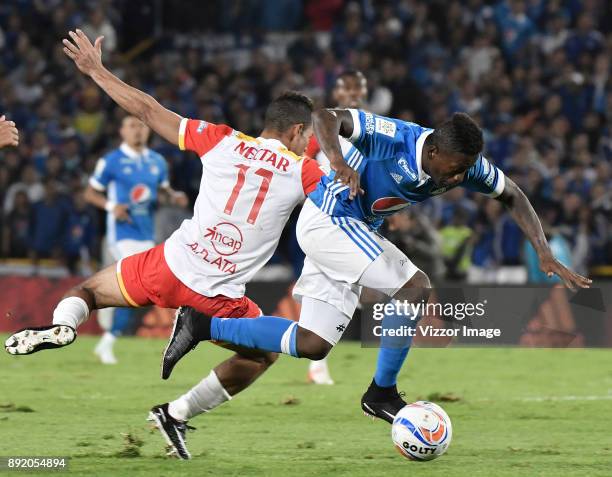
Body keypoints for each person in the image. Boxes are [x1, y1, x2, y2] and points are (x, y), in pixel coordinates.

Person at [160, 105, 592, 431]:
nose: (459, 179)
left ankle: (204, 325)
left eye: (465, 172)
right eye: (456, 170)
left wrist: (544, 251)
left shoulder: (466, 164)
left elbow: (512, 193)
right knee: (413, 285)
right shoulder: (395, 137)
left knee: (314, 343)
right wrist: (340, 161)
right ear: (435, 150)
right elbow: (326, 116)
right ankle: (381, 392)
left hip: (353, 231)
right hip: (329, 219)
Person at [4, 30, 323, 460]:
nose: (309, 145)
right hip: (219, 299)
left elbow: (147, 109)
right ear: (297, 130)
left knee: (90, 292)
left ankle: (65, 325)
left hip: (170, 266)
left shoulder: (220, 139)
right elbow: (343, 202)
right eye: (309, 136)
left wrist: (96, 70)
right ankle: (177, 412)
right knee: (262, 355)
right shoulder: (305, 172)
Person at [84, 115, 187, 364]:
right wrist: (111, 206)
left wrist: (173, 196)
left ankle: (108, 333)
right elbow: (90, 193)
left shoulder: (157, 162)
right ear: (122, 131)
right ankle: (107, 339)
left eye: (141, 126)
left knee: (141, 290)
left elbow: (162, 190)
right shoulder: (111, 161)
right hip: (122, 234)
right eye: (131, 126)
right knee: (136, 284)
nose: (137, 131)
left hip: (146, 233)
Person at [302, 69, 368, 385]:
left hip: (358, 220)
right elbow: (304, 168)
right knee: (324, 284)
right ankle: (316, 362)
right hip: (325, 216)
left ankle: (316, 357)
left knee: (341, 288)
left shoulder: (371, 129)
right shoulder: (321, 133)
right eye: (347, 88)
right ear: (337, 94)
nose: (353, 93)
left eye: (359, 88)